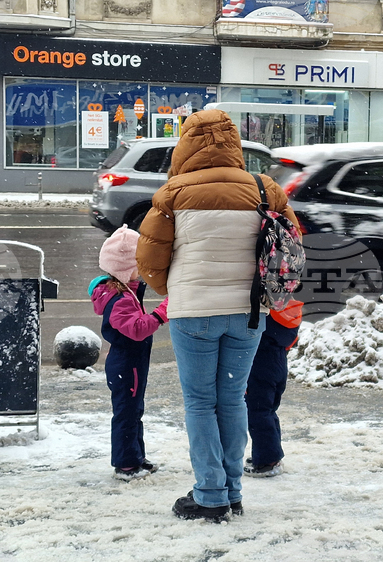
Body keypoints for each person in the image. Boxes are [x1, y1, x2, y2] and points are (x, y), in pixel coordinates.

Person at [136, 109, 299, 522]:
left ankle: (210, 494)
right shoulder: (265, 189)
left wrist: (171, 288)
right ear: (235, 144)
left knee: (199, 403)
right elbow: (292, 248)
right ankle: (233, 492)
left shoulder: (173, 192)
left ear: (186, 145)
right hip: (248, 313)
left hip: (194, 314)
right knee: (232, 400)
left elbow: (150, 259)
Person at [89, 225, 168, 481]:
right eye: (139, 264)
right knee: (126, 413)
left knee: (134, 411)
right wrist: (161, 312)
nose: (142, 269)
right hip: (127, 364)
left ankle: (135, 456)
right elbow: (136, 329)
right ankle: (125, 464)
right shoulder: (121, 298)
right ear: (126, 268)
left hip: (131, 362)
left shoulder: (127, 292)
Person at [244, 300, 302, 478]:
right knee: (268, 410)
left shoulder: (264, 317)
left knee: (258, 411)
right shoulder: (284, 312)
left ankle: (267, 461)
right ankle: (270, 453)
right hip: (278, 360)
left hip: (261, 363)